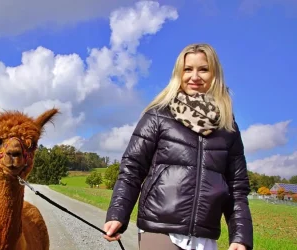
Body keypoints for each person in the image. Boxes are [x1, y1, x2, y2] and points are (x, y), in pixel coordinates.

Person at [103, 43, 253, 250]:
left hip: (205, 239)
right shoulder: (157, 115)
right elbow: (132, 168)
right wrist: (118, 213)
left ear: (214, 75)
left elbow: (237, 188)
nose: (195, 76)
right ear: (178, 74)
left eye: (203, 69)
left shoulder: (228, 126)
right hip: (159, 231)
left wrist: (241, 238)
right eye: (188, 69)